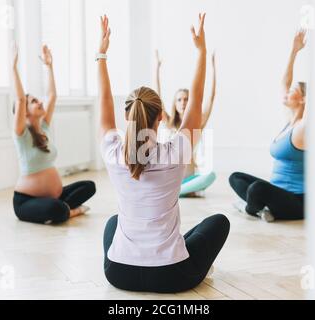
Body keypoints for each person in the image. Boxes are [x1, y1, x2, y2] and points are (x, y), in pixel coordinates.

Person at [98, 14, 230, 293]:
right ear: (161, 118)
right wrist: (202, 52)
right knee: (218, 222)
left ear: (127, 115)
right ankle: (180, 257)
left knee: (113, 222)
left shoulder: (112, 153)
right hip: (172, 276)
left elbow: (104, 104)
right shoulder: (177, 151)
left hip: (119, 273)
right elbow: (196, 101)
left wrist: (102, 54)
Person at [11, 44, 96, 225]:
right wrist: (14, 68)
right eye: (33, 101)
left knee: (89, 186)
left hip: (55, 195)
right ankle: (69, 211)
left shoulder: (44, 127)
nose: (40, 102)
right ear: (24, 112)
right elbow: (19, 100)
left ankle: (63, 209)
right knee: (55, 209)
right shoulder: (21, 134)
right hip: (26, 201)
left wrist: (49, 67)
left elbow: (52, 96)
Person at [229, 29, 308, 222]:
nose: (287, 92)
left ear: (305, 98)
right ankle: (261, 208)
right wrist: (294, 51)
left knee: (257, 189)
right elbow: (284, 83)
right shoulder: (288, 123)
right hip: (277, 193)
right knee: (235, 177)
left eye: (293, 91)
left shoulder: (304, 128)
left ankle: (251, 209)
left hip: (298, 202)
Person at [155, 49, 217, 197]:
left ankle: (177, 192)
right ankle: (174, 191)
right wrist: (157, 69)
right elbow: (158, 97)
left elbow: (210, 98)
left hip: (188, 178)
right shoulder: (169, 122)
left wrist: (213, 69)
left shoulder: (198, 123)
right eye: (179, 99)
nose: (183, 102)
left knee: (210, 176)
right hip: (170, 176)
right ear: (175, 104)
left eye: (186, 99)